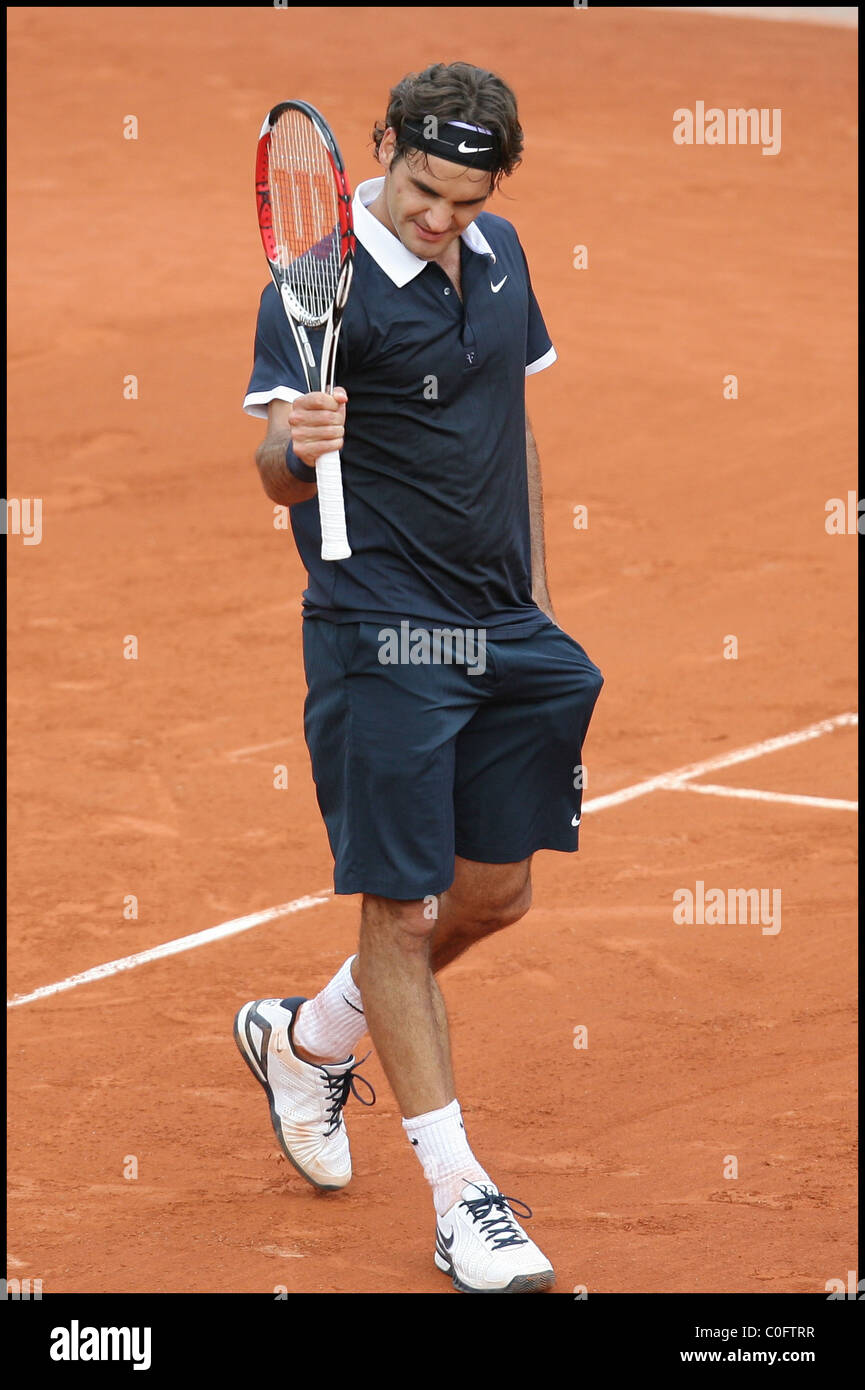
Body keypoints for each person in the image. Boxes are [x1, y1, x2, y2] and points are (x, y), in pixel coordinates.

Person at [237, 60, 603, 1294]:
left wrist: (537, 600)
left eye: (462, 196)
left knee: (492, 900)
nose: (436, 216)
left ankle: (310, 1039)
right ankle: (463, 1201)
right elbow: (276, 468)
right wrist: (299, 443)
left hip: (507, 626)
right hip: (382, 630)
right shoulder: (316, 284)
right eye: (418, 186)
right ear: (383, 147)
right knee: (397, 910)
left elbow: (516, 423)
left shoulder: (499, 253)